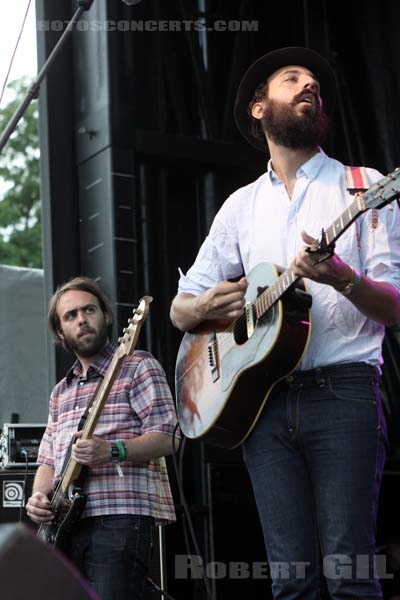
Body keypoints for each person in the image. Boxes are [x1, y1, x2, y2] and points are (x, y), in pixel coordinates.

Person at [170, 46, 400, 599]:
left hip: (343, 393)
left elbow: (394, 305)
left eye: (315, 84)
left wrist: (342, 277)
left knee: (348, 576)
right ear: (258, 108)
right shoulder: (240, 207)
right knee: (290, 584)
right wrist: (206, 308)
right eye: (293, 79)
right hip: (262, 406)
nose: (309, 86)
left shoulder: (363, 184)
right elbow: (180, 308)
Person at [27, 276, 178, 600]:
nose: (81, 319)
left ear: (106, 316)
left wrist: (113, 450)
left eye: (89, 310)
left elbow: (171, 437)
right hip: (64, 527)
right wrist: (40, 498)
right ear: (60, 332)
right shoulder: (60, 392)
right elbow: (48, 461)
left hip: (119, 518)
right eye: (70, 316)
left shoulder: (137, 366)